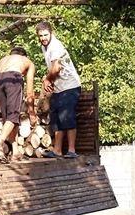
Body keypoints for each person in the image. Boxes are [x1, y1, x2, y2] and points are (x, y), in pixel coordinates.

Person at [35, 21, 81, 159]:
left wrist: (47, 79)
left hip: (70, 86)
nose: (43, 38)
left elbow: (56, 68)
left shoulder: (55, 46)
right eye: (41, 36)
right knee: (56, 119)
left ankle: (72, 150)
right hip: (59, 87)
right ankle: (57, 150)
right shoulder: (45, 47)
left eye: (45, 35)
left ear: (51, 33)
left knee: (68, 117)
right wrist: (50, 81)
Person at [0, 46, 38, 163]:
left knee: (8, 117)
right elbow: (30, 93)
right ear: (24, 56)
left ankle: (15, 151)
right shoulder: (28, 62)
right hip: (14, 78)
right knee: (14, 115)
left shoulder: (4, 60)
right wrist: (32, 112)